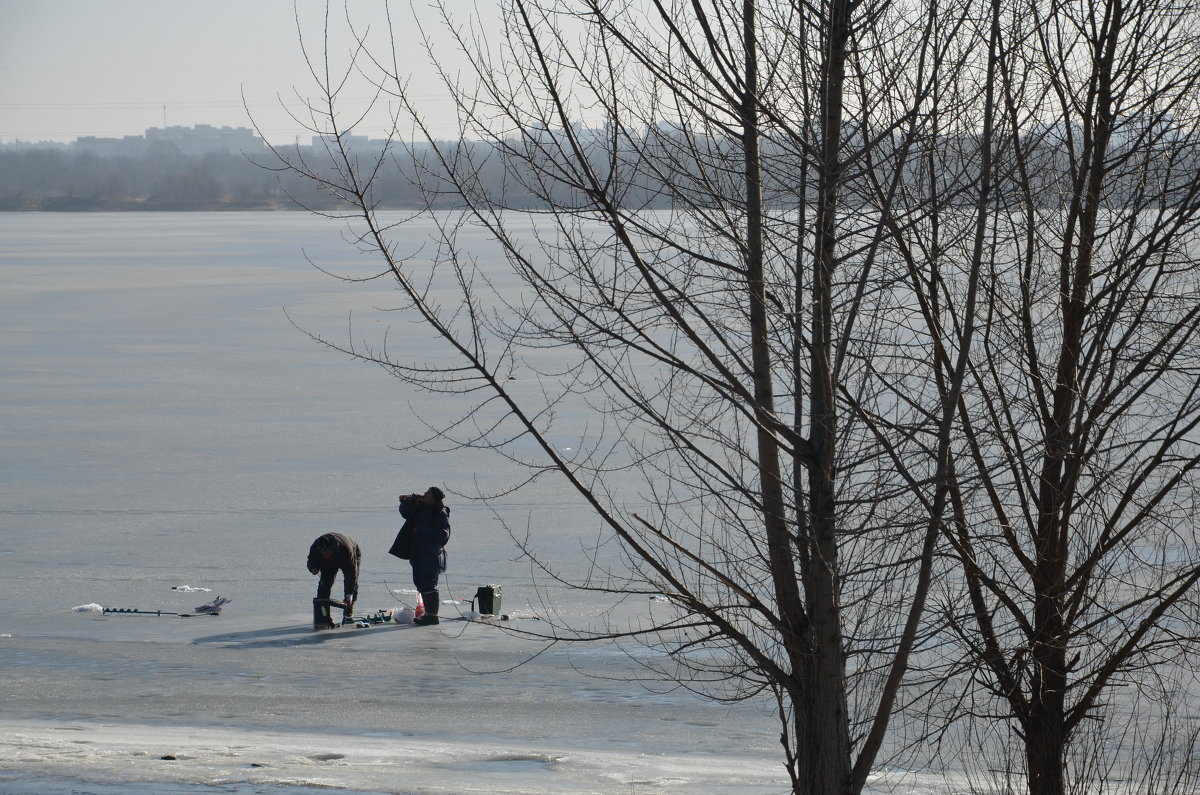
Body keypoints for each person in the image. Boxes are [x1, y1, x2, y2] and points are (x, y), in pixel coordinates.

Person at [390, 487, 451, 625]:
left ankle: (432, 616)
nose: (425, 494)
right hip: (417, 553)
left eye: (428, 493)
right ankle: (428, 614)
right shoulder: (420, 508)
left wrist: (421, 530)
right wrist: (408, 501)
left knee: (429, 584)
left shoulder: (440, 513)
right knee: (421, 584)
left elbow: (444, 535)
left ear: (434, 498)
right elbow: (405, 513)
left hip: (431, 554)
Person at [306, 532, 361, 623]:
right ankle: (322, 614)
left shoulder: (346, 549)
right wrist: (313, 568)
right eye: (323, 553)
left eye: (328, 552)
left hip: (350, 553)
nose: (326, 555)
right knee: (324, 584)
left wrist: (349, 594)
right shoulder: (315, 547)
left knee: (352, 583)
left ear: (333, 549)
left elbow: (351, 574)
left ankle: (348, 612)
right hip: (328, 563)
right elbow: (311, 560)